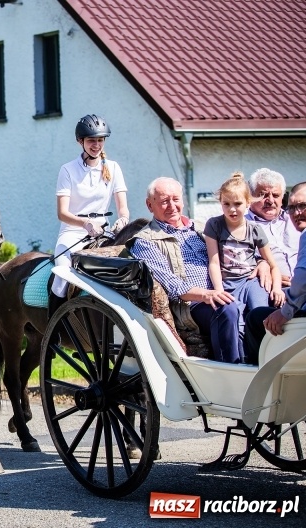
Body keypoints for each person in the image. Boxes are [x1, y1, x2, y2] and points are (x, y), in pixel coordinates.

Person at [129, 177, 244, 364]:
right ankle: (231, 372)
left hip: (227, 289)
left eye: (176, 199)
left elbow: (237, 252)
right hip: (191, 307)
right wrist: (207, 295)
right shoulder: (144, 241)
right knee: (226, 308)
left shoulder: (203, 227)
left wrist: (264, 265)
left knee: (260, 308)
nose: (172, 206)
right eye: (165, 201)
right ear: (150, 205)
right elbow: (174, 286)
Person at [50, 114, 129, 314]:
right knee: (62, 276)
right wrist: (85, 224)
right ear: (80, 141)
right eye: (91, 140)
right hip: (72, 233)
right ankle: (53, 328)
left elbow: (123, 207)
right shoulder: (67, 170)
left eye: (100, 140)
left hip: (104, 231)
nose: (96, 145)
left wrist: (123, 219)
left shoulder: (113, 167)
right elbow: (62, 213)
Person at [245, 182, 306, 363]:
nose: (296, 213)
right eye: (291, 207)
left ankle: (258, 375)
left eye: (303, 205)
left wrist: (285, 312)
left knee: (255, 318)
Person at [203, 174, 285, 319]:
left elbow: (273, 265)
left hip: (251, 282)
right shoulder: (214, 225)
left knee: (260, 313)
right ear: (220, 203)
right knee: (237, 322)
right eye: (226, 204)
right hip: (228, 283)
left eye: (237, 204)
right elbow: (214, 263)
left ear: (248, 202)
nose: (232, 209)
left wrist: (277, 288)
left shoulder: (254, 229)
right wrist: (219, 289)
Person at [246, 168, 299, 287]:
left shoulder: (296, 220)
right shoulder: (241, 226)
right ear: (250, 197)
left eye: (275, 195)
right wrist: (269, 274)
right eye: (263, 195)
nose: (270, 201)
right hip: (270, 293)